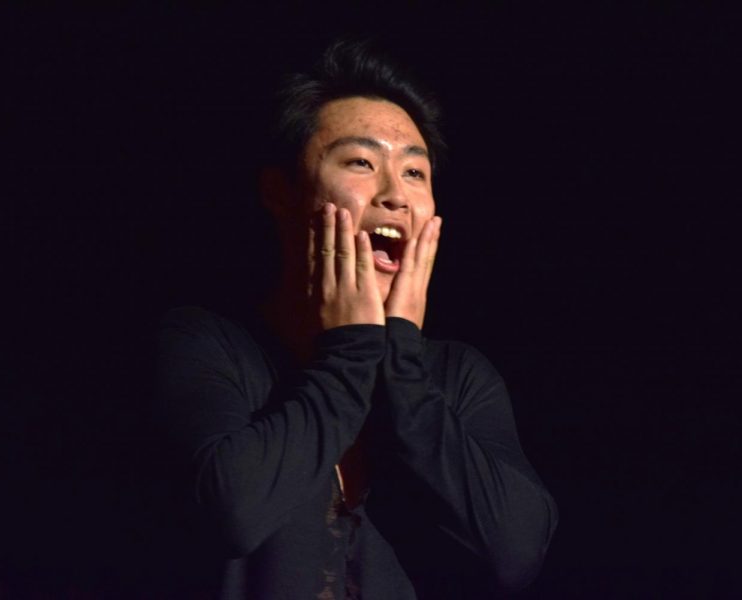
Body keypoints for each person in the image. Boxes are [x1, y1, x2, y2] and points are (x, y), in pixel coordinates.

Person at [155, 39, 557, 599]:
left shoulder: (458, 376)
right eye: (362, 163)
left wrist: (404, 368)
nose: (395, 195)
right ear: (281, 192)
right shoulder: (205, 343)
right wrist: (349, 353)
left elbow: (513, 554)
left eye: (415, 173)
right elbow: (229, 513)